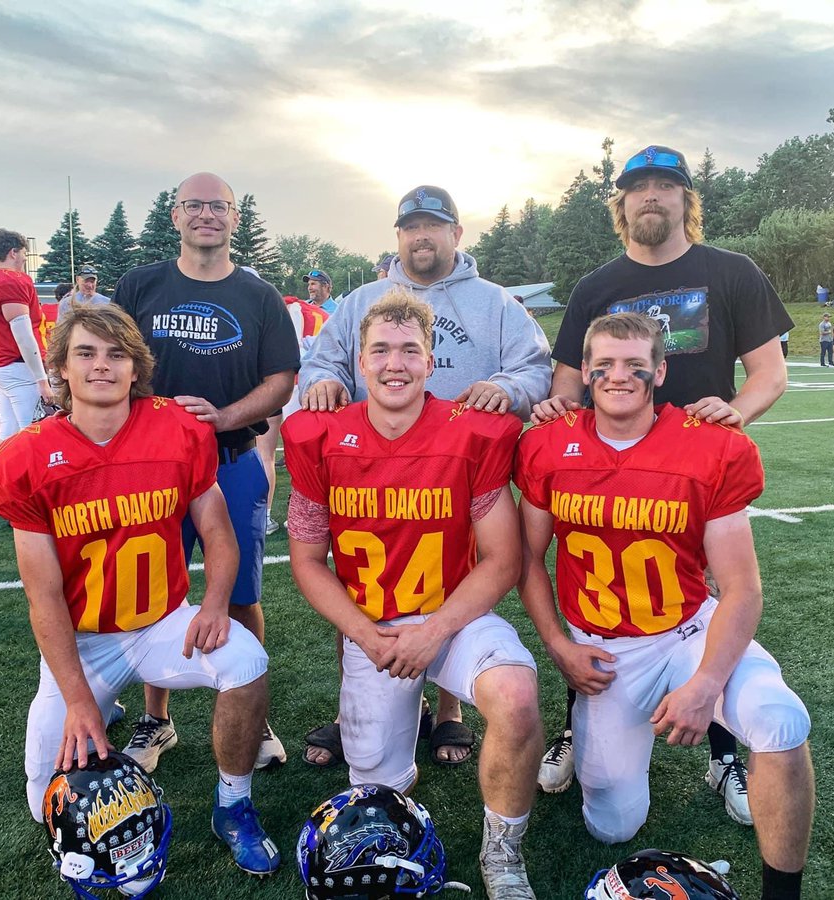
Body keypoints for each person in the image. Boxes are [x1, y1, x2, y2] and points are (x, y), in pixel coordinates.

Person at [517, 312, 814, 900]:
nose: (617, 375)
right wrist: (558, 646)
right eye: (603, 364)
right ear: (585, 370)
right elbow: (526, 561)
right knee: (612, 826)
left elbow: (743, 589)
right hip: (603, 652)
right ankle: (587, 736)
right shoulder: (549, 443)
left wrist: (706, 683)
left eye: (633, 364)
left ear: (660, 369)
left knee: (781, 721)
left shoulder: (709, 444)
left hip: (685, 632)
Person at [535, 144, 792, 820]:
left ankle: (723, 755)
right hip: (610, 472)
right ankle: (581, 724)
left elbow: (771, 372)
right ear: (621, 205)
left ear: (686, 201)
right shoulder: (596, 285)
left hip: (699, 476)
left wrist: (736, 414)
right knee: (599, 594)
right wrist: (558, 415)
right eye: (638, 187)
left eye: (665, 186)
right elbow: (568, 383)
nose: (651, 196)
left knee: (703, 608)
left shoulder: (731, 272)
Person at [0, 303, 281, 876]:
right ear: (61, 371)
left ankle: (233, 805)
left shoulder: (176, 429)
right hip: (83, 639)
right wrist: (76, 700)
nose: (102, 366)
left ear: (136, 368)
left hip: (162, 624)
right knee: (45, 801)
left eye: (117, 354)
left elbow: (217, 530)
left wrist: (216, 603)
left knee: (246, 660)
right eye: (86, 354)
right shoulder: (24, 458)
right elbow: (43, 597)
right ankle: (98, 713)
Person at [286, 290, 542, 899]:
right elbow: (307, 561)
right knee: (379, 786)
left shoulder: (470, 433)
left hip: (450, 618)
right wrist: (364, 632)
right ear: (358, 359)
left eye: (409, 350)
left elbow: (503, 559)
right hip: (372, 626)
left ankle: (502, 854)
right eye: (380, 350)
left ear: (431, 362)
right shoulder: (317, 436)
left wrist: (433, 632)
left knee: (517, 695)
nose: (394, 363)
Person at [298, 184, 551, 769]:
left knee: (457, 568)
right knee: (362, 576)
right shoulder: (363, 299)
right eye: (411, 227)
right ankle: (357, 706)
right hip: (370, 464)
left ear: (456, 235)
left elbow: (535, 368)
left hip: (463, 466)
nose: (421, 236)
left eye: (433, 226)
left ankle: (448, 710)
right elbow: (324, 356)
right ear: (398, 236)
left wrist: (505, 388)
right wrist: (326, 381)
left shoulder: (495, 303)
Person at [113, 172, 298, 773]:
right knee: (153, 593)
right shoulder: (140, 285)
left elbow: (280, 381)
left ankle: (251, 709)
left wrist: (221, 418)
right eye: (194, 205)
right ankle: (156, 719)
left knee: (241, 593)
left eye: (218, 207)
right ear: (175, 215)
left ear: (235, 218)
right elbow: (112, 360)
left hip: (232, 460)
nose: (206, 216)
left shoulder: (260, 295)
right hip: (151, 471)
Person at [255, 293, 330, 536]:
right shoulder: (320, 313)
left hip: (280, 383)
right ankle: (306, 514)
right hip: (310, 384)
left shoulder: (279, 309)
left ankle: (265, 517)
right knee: (310, 457)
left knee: (265, 454)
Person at [0, 229, 52, 440]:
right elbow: (23, 333)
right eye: (23, 253)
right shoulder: (10, 280)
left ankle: (0, 473)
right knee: (32, 432)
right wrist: (41, 379)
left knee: (9, 432)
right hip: (18, 365)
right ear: (13, 252)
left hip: (2, 365)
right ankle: (26, 474)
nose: (25, 258)